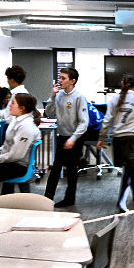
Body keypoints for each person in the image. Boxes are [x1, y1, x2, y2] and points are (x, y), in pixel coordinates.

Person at [0, 93, 42, 203]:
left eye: (13, 103)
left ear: (22, 108)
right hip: (11, 162)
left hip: (18, 166)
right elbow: (5, 147)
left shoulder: (26, 127)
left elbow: (15, 155)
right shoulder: (16, 121)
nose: (9, 105)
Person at [98, 74, 134, 212]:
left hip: (118, 138)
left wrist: (101, 138)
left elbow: (107, 119)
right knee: (129, 168)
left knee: (129, 168)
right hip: (133, 138)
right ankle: (121, 201)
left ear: (121, 83)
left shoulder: (114, 99)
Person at [44, 68, 89, 207]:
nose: (60, 81)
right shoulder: (59, 95)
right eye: (60, 77)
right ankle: (47, 199)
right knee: (55, 169)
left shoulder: (79, 97)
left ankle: (69, 199)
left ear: (72, 81)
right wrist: (52, 96)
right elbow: (49, 113)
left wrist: (73, 138)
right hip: (62, 136)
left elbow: (84, 122)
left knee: (71, 170)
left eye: (63, 78)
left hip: (75, 137)